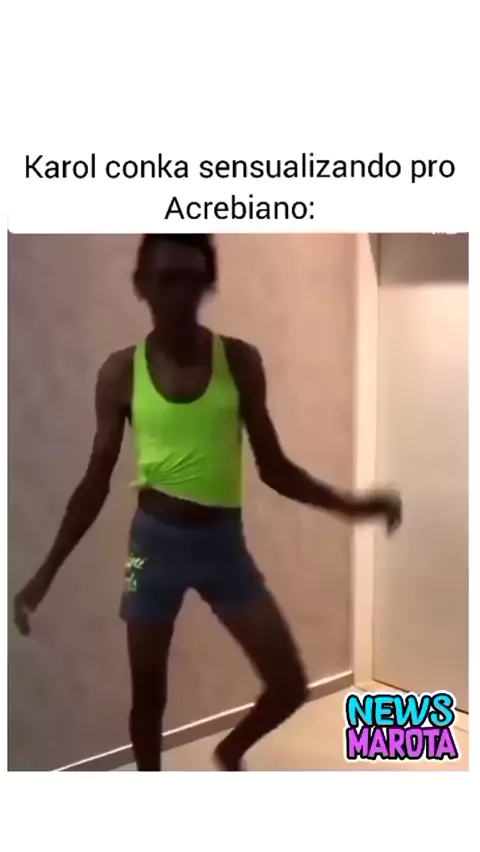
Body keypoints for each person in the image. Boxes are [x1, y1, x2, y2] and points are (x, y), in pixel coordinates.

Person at [14, 234, 402, 771]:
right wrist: (46, 573)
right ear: (142, 285)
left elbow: (274, 468)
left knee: (289, 684)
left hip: (223, 548)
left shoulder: (239, 361)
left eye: (194, 281)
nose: (182, 294)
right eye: (168, 280)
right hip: (153, 549)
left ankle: (230, 751)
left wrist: (354, 507)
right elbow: (95, 481)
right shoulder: (120, 372)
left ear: (209, 286)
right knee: (148, 699)